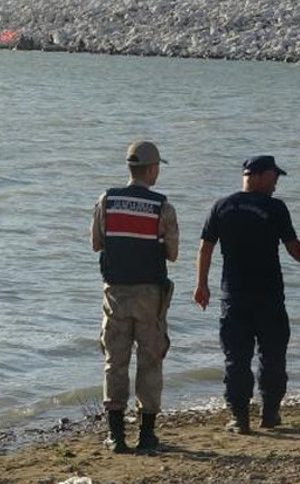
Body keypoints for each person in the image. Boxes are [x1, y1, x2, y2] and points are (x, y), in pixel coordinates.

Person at [193, 155, 300, 434]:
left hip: (234, 296)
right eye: (274, 176)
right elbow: (293, 247)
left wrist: (201, 285)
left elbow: (205, 248)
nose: (276, 183)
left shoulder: (221, 206)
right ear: (260, 175)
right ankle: (270, 413)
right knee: (273, 354)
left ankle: (240, 418)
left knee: (236, 357)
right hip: (268, 295)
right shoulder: (275, 207)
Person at [91, 140, 179, 453]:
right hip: (150, 295)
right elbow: (173, 252)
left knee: (115, 361)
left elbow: (96, 244)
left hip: (115, 293)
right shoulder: (162, 206)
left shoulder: (107, 200)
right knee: (150, 362)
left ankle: (115, 436)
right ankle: (147, 436)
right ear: (152, 169)